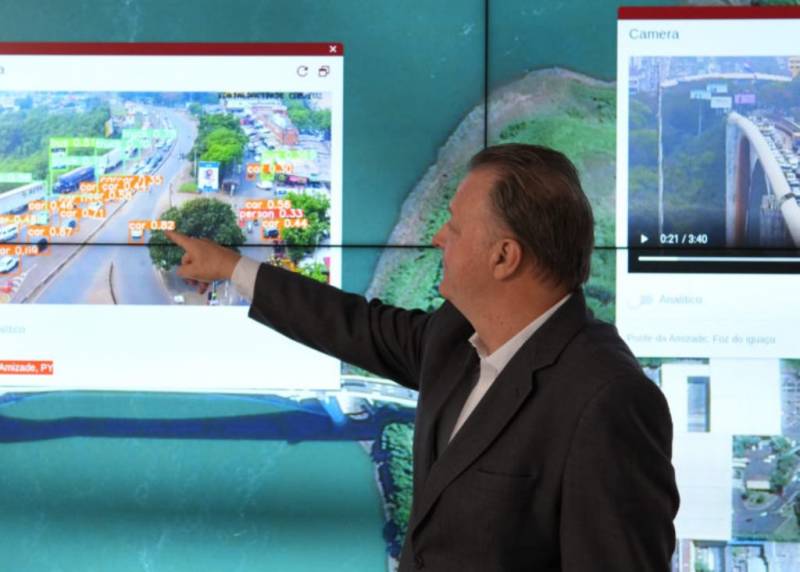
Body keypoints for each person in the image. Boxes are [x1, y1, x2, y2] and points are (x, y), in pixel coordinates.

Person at [166, 143, 679, 571]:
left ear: (504, 256)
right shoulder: (456, 337)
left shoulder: (607, 401)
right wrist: (231, 267)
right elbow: (353, 325)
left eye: (454, 227)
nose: (438, 237)